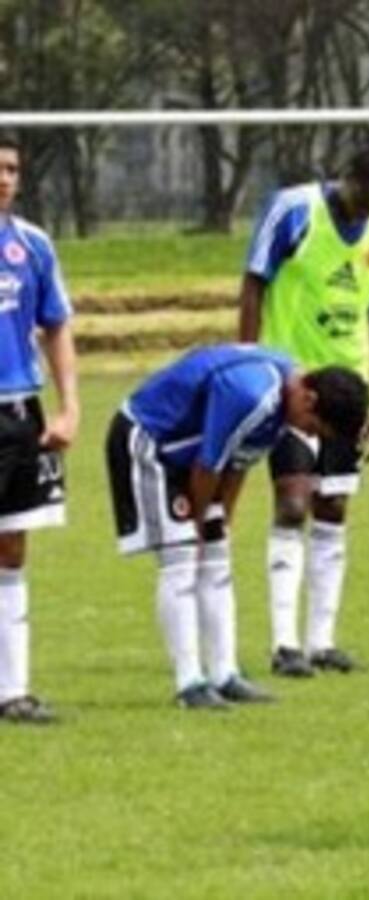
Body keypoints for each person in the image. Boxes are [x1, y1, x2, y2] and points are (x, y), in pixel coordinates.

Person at [105, 345, 369, 709]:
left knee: (217, 558)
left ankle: (224, 675)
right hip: (149, 443)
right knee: (181, 560)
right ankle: (189, 683)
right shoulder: (251, 394)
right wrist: (197, 524)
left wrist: (220, 522)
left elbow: (238, 460)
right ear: (308, 398)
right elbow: (210, 464)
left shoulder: (283, 408)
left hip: (193, 458)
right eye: (313, 427)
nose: (309, 434)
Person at [238, 145, 369, 678]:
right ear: (346, 177)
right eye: (361, 199)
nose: (363, 213)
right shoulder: (293, 210)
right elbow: (253, 284)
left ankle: (321, 641)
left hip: (348, 393)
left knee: (333, 510)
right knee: (292, 503)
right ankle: (284, 644)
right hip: (293, 387)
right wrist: (247, 364)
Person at [0, 133, 79, 724]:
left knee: (12, 547)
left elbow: (56, 326)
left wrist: (69, 405)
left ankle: (13, 689)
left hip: (19, 410)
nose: (3, 178)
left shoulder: (33, 246)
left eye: (10, 169)